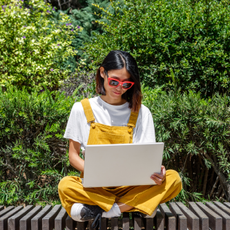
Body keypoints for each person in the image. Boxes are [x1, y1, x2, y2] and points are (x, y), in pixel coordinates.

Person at [58, 50, 182, 228]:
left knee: (173, 179)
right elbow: (73, 156)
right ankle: (135, 206)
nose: (119, 88)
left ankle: (107, 210)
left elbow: (147, 156)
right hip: (95, 186)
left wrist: (157, 174)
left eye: (127, 84)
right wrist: (97, 173)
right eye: (114, 81)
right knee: (66, 185)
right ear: (102, 73)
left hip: (131, 186)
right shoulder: (81, 108)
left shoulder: (141, 111)